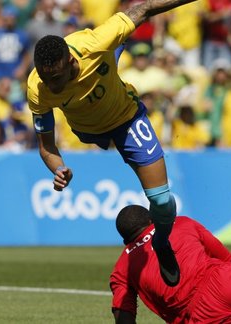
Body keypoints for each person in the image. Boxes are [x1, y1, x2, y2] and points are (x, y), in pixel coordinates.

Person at [26, 0, 203, 287]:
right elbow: (46, 146)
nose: (53, 86)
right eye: (47, 79)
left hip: (127, 119)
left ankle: (161, 241)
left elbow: (143, 9)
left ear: (70, 62)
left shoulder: (95, 44)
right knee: (108, 55)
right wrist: (57, 168)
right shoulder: (38, 87)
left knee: (160, 200)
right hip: (88, 131)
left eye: (57, 78)